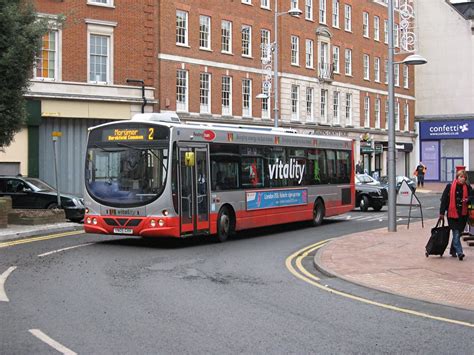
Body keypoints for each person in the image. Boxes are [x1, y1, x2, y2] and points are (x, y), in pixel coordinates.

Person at [439, 168, 473, 261]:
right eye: (461, 177)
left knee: (457, 234)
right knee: (456, 233)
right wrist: (441, 213)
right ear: (457, 177)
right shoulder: (450, 186)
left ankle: (452, 250)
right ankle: (460, 253)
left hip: (463, 215)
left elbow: (472, 196)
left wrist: (468, 199)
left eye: (464, 177)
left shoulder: (468, 187)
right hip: (452, 214)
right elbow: (444, 200)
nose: (462, 179)